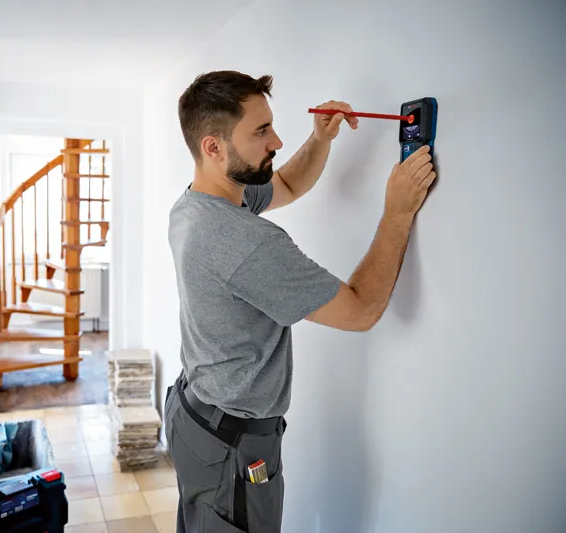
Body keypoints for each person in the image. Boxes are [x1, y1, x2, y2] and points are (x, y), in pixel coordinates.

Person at [163, 70, 436, 533]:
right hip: (231, 443)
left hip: (193, 413)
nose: (276, 141)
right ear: (213, 147)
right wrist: (398, 211)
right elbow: (361, 310)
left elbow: (286, 185)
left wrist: (321, 139)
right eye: (261, 132)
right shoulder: (244, 242)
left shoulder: (196, 205)